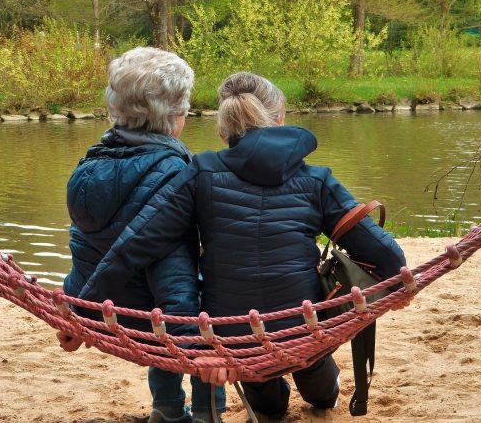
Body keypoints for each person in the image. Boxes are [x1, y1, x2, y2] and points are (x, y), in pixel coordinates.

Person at [79, 72, 406, 418]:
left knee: (267, 401)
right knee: (316, 374)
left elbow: (138, 243)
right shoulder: (316, 179)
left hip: (234, 339)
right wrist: (401, 283)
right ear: (279, 120)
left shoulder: (199, 172)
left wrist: (83, 309)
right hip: (303, 326)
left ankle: (272, 392)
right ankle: (320, 387)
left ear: (223, 130)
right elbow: (382, 251)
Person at [57, 47, 225, 423]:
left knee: (164, 305)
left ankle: (165, 408)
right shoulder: (177, 173)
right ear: (175, 117)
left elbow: (84, 248)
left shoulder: (88, 165)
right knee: (206, 306)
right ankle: (205, 413)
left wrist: (75, 309)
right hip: (160, 321)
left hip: (107, 312)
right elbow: (175, 273)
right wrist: (196, 348)